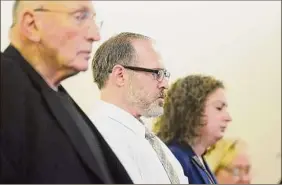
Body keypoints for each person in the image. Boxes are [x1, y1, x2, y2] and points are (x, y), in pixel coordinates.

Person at [0, 1, 132, 183]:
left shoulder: (54, 93)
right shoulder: (7, 90)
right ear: (32, 25)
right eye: (80, 17)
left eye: (93, 20)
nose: (95, 35)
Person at [89, 32, 188, 184]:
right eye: (156, 73)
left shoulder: (147, 138)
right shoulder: (103, 137)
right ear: (121, 75)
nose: (165, 84)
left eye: (164, 74)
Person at [153, 75, 232, 184]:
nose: (228, 118)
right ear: (193, 111)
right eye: (219, 108)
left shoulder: (197, 158)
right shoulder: (175, 158)